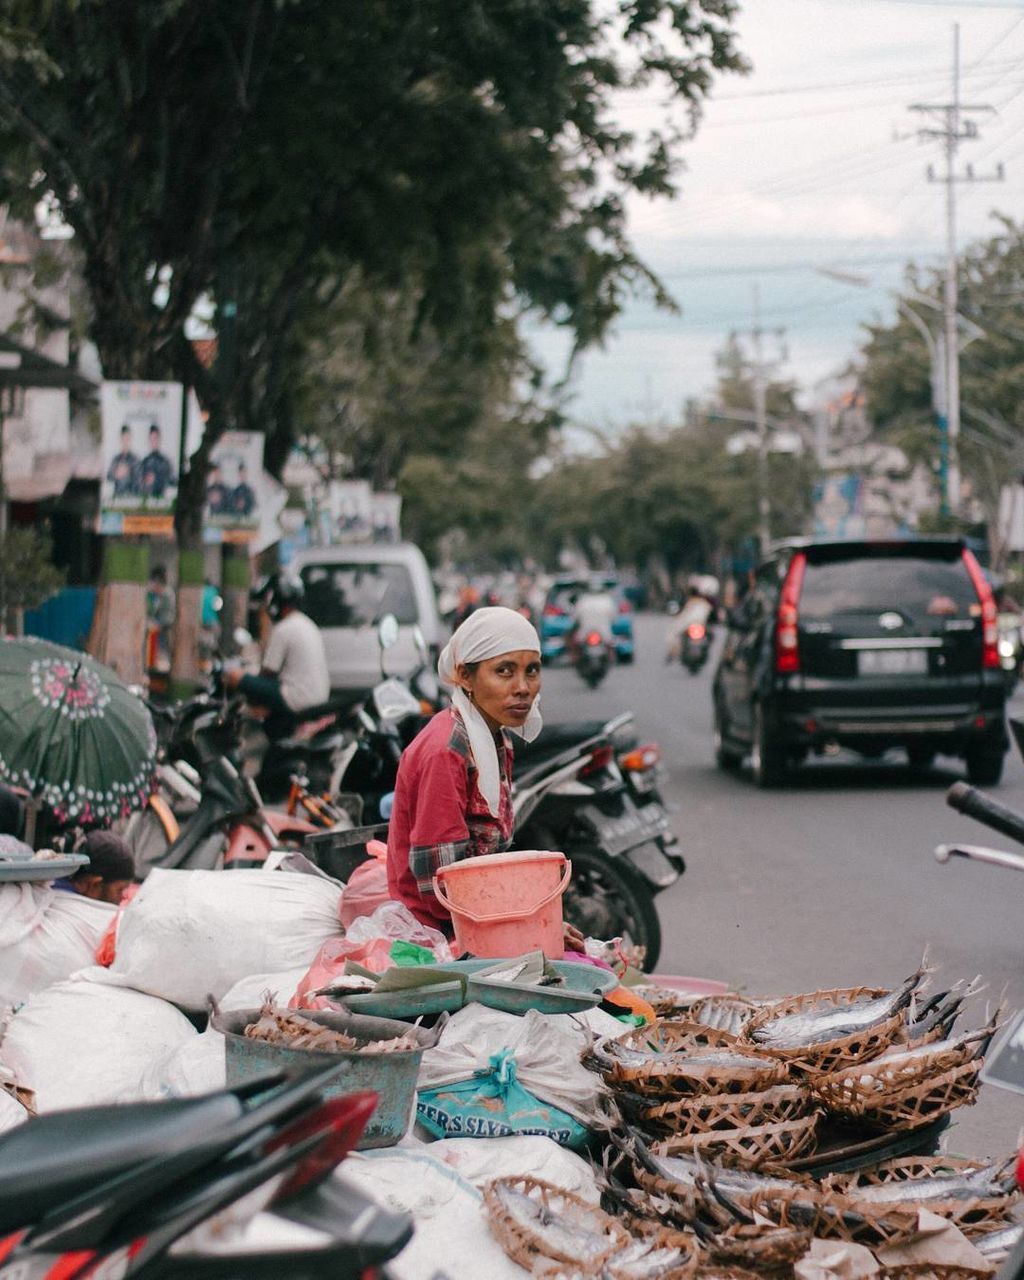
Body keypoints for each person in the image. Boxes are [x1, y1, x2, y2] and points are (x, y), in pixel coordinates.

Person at [386, 606, 585, 953]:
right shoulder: (445, 751)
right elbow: (440, 890)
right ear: (465, 676)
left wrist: (539, 920)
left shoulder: (496, 738)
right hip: (435, 937)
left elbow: (491, 865)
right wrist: (520, 926)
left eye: (532, 671)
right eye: (504, 671)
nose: (523, 688)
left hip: (477, 919)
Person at [225, 573, 329, 738]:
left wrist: (254, 703)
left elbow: (268, 673)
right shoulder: (307, 624)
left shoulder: (284, 629)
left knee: (233, 675)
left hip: (296, 697)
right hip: (317, 696)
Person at [52, 829, 134, 904]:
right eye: (120, 890)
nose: (124, 897)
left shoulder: (52, 891)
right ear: (94, 885)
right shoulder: (69, 911)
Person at [568, 576, 616, 659]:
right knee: (610, 645)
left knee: (574, 642)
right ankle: (611, 656)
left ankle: (575, 657)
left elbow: (574, 617)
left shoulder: (582, 600)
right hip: (604, 633)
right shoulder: (607, 600)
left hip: (585, 631)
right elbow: (614, 617)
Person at [666, 583, 713, 662]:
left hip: (694, 627)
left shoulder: (691, 603)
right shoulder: (704, 603)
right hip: (693, 628)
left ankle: (673, 652)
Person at [146, 565, 176, 669]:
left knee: (161, 651)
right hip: (156, 628)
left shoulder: (167, 595)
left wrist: (157, 624)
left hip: (164, 628)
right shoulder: (155, 595)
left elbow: (168, 617)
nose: (152, 587)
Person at [138, 424, 177, 499]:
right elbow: (138, 483)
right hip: (146, 500)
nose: (154, 441)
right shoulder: (144, 461)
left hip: (161, 500)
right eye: (152, 439)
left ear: (159, 439)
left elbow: (173, 481)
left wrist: (156, 479)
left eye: (155, 438)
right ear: (149, 439)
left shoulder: (165, 461)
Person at [107, 424, 140, 497]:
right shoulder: (116, 459)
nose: (126, 442)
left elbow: (138, 480)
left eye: (127, 439)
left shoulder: (135, 460)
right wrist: (116, 474)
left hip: (131, 498)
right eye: (123, 439)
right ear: (120, 439)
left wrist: (128, 472)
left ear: (130, 439)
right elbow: (108, 476)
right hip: (117, 498)